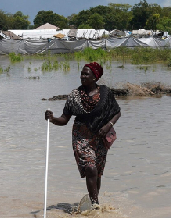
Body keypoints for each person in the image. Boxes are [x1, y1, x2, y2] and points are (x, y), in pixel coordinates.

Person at [45, 62, 121, 208]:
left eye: (86, 74)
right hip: (81, 137)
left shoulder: (105, 94)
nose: (82, 76)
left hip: (100, 136)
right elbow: (64, 119)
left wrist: (108, 126)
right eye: (82, 73)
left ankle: (93, 202)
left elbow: (117, 112)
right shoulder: (75, 96)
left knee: (97, 172)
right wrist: (53, 118)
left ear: (95, 77)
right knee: (90, 168)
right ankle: (95, 205)